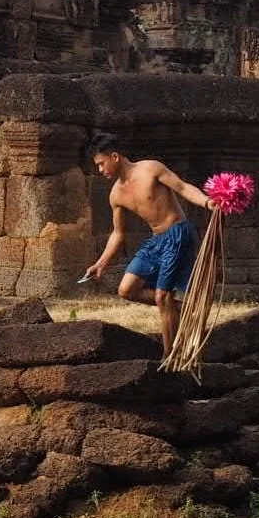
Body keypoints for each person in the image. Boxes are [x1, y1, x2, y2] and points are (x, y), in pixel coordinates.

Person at [82, 131, 215, 352]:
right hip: (155, 241)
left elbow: (181, 187)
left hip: (177, 234)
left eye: (101, 164)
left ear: (115, 156)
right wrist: (101, 263)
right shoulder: (116, 194)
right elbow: (117, 234)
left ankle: (169, 355)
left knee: (163, 296)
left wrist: (207, 202)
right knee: (126, 290)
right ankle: (186, 309)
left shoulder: (150, 168)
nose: (100, 170)